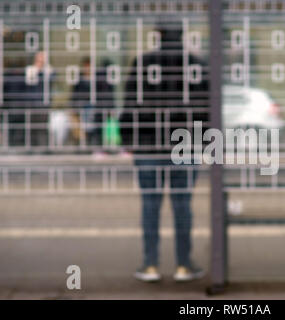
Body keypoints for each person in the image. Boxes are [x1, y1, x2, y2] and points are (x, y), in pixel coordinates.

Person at [120, 22, 208, 282]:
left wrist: (129, 139)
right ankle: (183, 265)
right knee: (182, 205)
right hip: (185, 145)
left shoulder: (141, 63)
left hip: (148, 146)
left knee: (150, 205)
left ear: (157, 37)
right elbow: (205, 107)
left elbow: (129, 102)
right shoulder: (195, 64)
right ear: (182, 36)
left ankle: (150, 265)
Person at [71, 57, 115, 156]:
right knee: (86, 129)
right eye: (86, 66)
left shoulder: (99, 79)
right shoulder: (80, 80)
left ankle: (97, 148)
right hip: (85, 108)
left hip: (97, 108)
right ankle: (87, 148)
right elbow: (75, 95)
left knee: (97, 128)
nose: (88, 69)